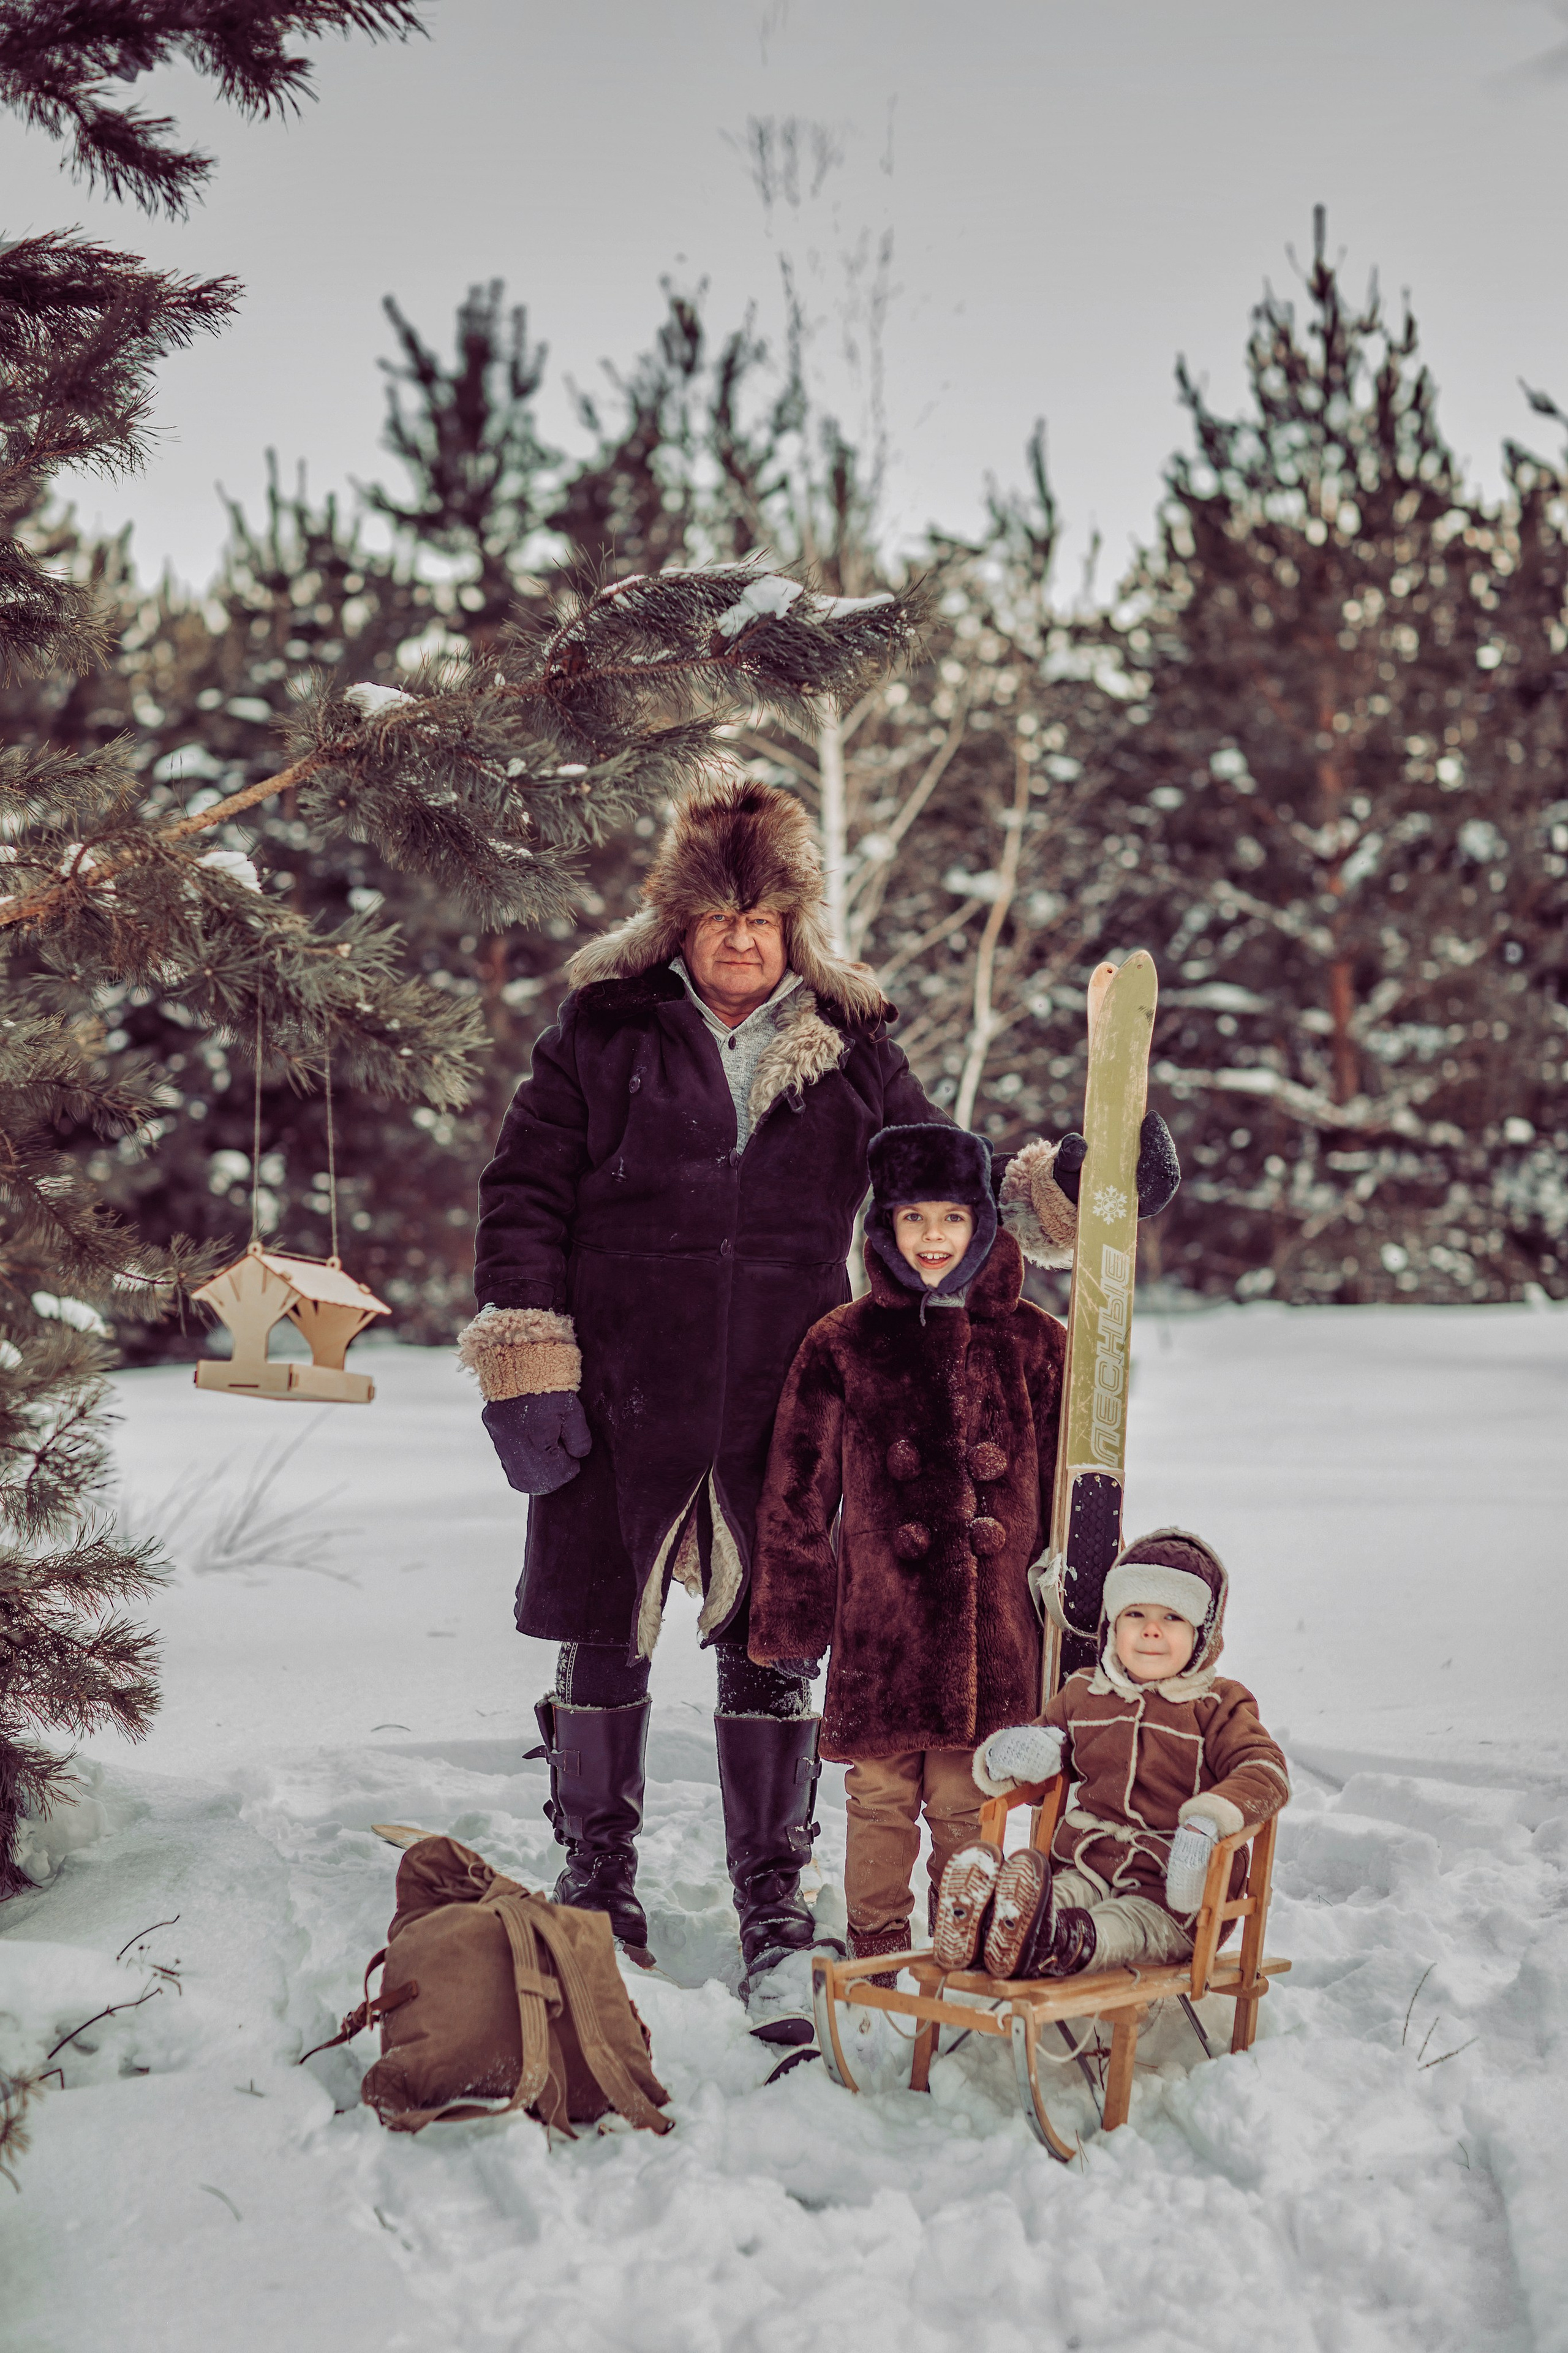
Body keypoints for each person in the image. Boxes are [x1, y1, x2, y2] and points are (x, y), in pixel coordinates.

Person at [459, 777, 1177, 2033]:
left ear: (794, 925)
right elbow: (522, 1195)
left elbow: (939, 1177)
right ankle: (598, 1881)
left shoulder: (848, 1045)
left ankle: (771, 1901)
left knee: (775, 1638)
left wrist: (1075, 1188)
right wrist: (529, 1359)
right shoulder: (601, 1032)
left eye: (764, 917)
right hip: (620, 1384)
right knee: (602, 1630)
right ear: (678, 923)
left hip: (782, 1397)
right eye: (720, 916)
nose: (743, 939)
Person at [748, 1122, 1067, 1983]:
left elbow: (1070, 1487)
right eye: (913, 1218)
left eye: (953, 1218)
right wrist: (793, 1616)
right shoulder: (843, 1341)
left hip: (992, 1632)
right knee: (880, 1795)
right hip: (881, 1625)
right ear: (883, 1226)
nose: (933, 1237)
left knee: (968, 1801)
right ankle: (877, 1951)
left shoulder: (1036, 1342)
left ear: (983, 1224)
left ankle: (958, 1952)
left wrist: (1073, 1618)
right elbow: (797, 1488)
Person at [932, 1530, 1289, 1978]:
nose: (1151, 1629)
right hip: (1088, 1862)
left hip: (1170, 1891)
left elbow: (1266, 1770)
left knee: (1124, 1923)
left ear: (1202, 1634)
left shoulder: (1218, 1705)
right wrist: (1013, 1754)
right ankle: (989, 1926)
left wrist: (1207, 1822)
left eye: (1172, 1616)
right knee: (1060, 1894)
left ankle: (1059, 1943)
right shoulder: (1086, 1692)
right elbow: (1042, 1749)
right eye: (1135, 1613)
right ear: (1112, 1625)